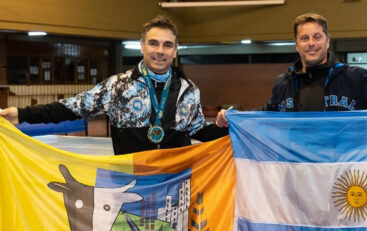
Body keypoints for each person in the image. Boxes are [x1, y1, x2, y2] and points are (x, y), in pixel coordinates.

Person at [0, 15, 227, 155]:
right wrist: (22, 114)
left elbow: (201, 132)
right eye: (153, 43)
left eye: (168, 45)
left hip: (174, 184)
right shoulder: (118, 86)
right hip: (128, 182)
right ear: (142, 46)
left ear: (175, 50)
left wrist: (223, 124)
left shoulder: (189, 91)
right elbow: (72, 107)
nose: (160, 50)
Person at [216, 13, 367, 127]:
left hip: (344, 176)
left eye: (317, 37)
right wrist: (235, 117)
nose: (311, 43)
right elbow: (265, 115)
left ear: (327, 41)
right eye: (304, 38)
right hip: (298, 174)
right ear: (296, 44)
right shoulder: (283, 83)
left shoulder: (354, 78)